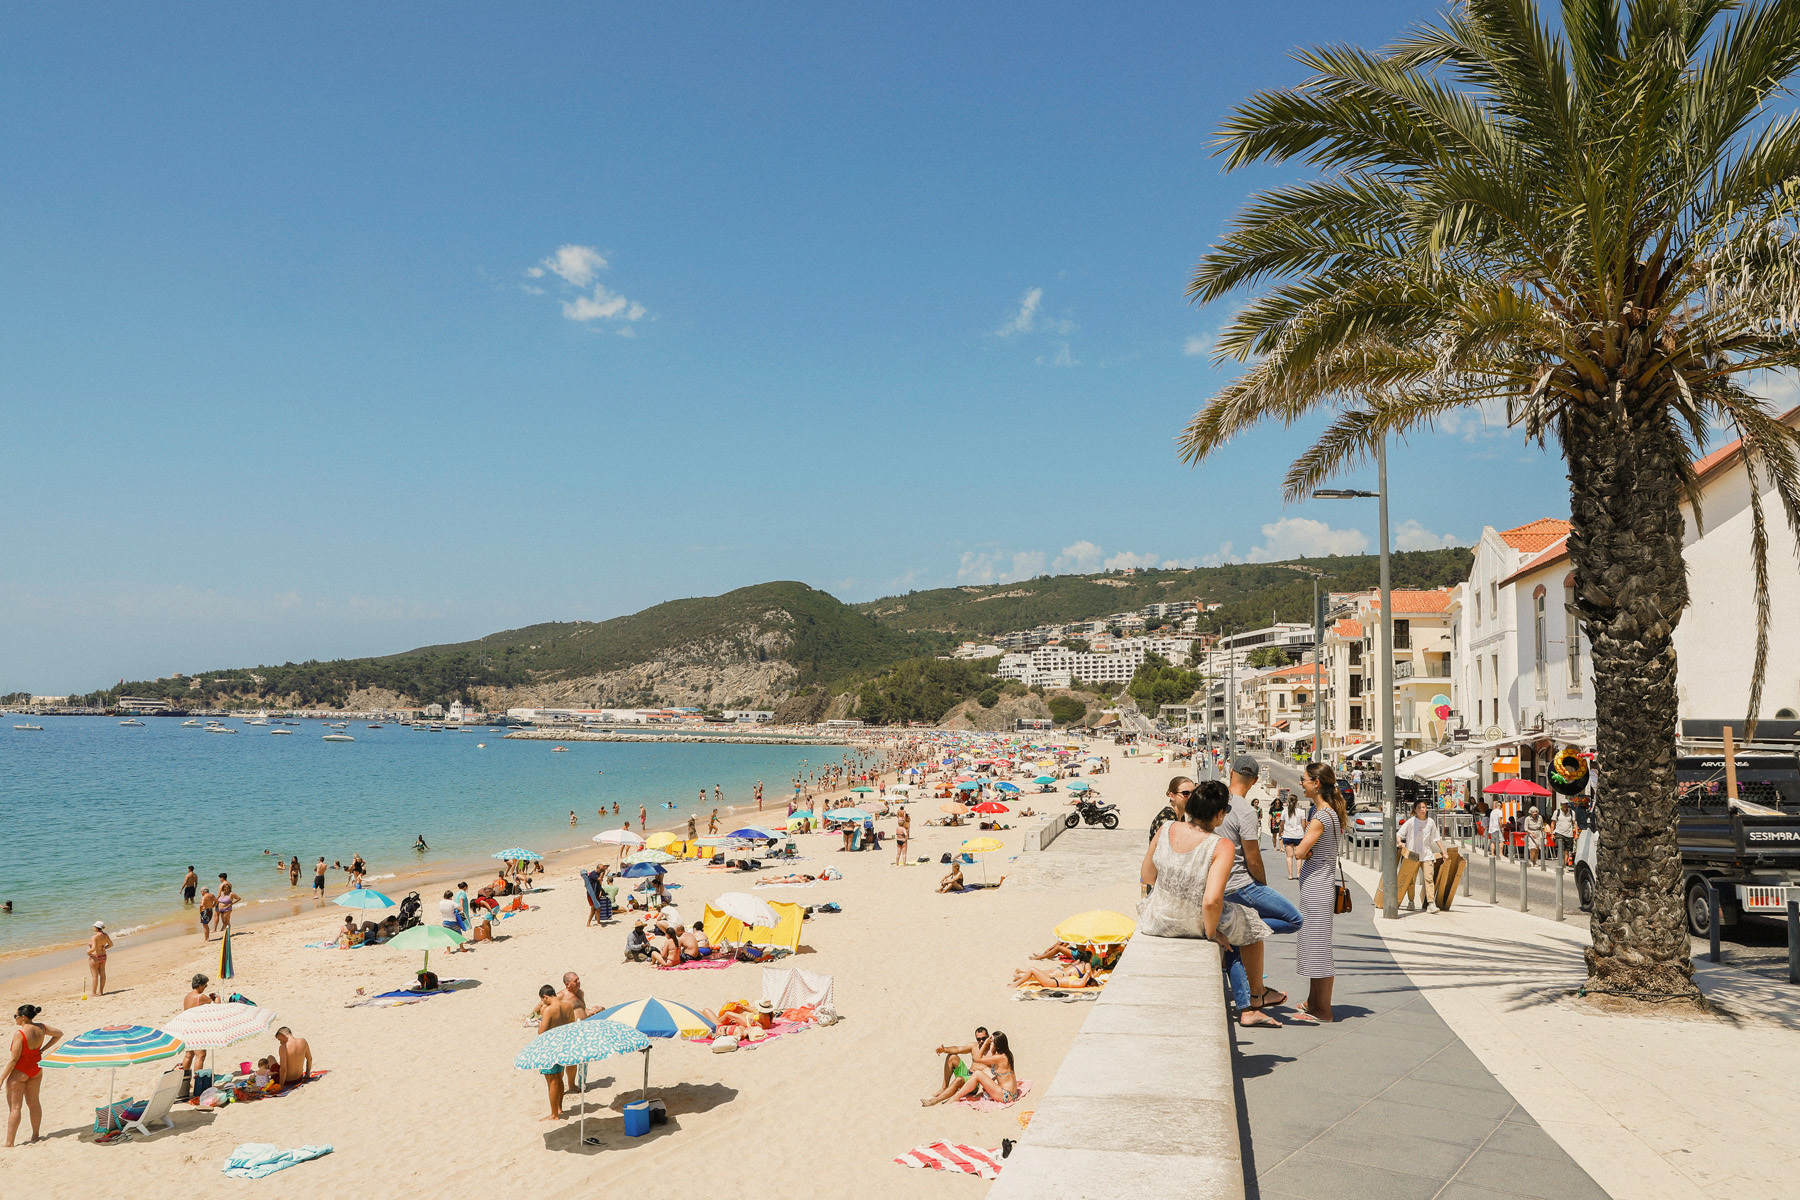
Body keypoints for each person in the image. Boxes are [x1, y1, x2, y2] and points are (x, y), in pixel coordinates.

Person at [1137, 780, 1277, 1027]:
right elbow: (1211, 902)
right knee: (1252, 923)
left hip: (1156, 919)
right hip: (1193, 923)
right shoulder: (1220, 845)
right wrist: (1213, 934)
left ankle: (1253, 997)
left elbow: (1147, 876)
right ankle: (1257, 996)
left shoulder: (1166, 827)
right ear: (1220, 813)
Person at [1220, 756, 1303, 1015]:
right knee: (1294, 920)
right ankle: (1243, 934)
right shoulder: (1245, 810)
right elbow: (1253, 858)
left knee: (1236, 939)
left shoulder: (1215, 803)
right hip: (1241, 885)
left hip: (1218, 885)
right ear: (1255, 781)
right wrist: (1262, 885)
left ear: (1230, 772)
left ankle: (1249, 1005)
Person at [1291, 761, 1346, 1023]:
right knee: (1315, 945)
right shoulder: (1328, 813)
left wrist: (1306, 849)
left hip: (1317, 887)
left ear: (1316, 783)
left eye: (1304, 779)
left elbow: (1299, 852)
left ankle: (1323, 1010)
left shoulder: (1322, 816)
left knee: (1319, 948)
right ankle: (1314, 1003)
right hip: (1319, 885)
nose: (1301, 783)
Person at [5, 1004, 63, 1147]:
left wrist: (1, 1078)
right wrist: (42, 1049)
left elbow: (14, 1059)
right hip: (36, 1069)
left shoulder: (20, 1033)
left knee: (15, 1107)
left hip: (20, 1072)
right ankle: (35, 1136)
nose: (15, 1019)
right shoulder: (41, 1028)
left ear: (23, 1017)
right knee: (34, 1103)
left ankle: (9, 1143)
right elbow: (59, 1034)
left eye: (16, 1016)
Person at [921, 1030, 1018, 1106]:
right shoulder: (1007, 1055)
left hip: (1005, 1095)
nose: (982, 1041)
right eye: (979, 1039)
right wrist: (944, 1049)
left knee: (976, 1074)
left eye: (986, 1039)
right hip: (1009, 1093)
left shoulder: (999, 1057)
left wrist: (986, 1044)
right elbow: (958, 1049)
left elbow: (978, 1058)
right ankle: (944, 1087)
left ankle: (944, 1099)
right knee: (953, 1057)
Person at [1397, 800, 1445, 911]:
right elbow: (1399, 834)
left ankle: (1431, 904)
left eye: (1424, 807)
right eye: (1419, 807)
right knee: (1411, 880)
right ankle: (1411, 901)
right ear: (1415, 810)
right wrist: (1399, 843)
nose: (1422, 809)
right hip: (1412, 855)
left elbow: (1436, 838)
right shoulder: (1411, 822)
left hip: (1427, 855)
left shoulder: (1431, 822)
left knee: (1429, 879)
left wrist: (1444, 852)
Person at [180, 974, 217, 1072]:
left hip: (187, 1027)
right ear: (200, 985)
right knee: (200, 1055)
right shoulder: (200, 997)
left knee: (189, 1055)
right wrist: (217, 997)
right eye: (205, 985)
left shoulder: (187, 996)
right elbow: (216, 1007)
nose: (205, 987)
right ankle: (197, 1080)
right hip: (196, 1029)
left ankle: (184, 1079)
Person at [1150, 776, 1191, 846]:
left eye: (1194, 793)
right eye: (1186, 793)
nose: (1191, 797)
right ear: (1172, 796)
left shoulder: (1180, 815)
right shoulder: (1167, 819)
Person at [1281, 798, 1306, 880]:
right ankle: (1298, 874)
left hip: (1288, 834)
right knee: (1298, 857)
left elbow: (1282, 824)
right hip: (1298, 835)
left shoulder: (1284, 811)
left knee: (1289, 856)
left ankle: (1290, 875)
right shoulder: (1301, 812)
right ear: (1296, 802)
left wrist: (1280, 832)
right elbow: (1303, 824)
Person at [86, 922, 112, 997]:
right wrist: (104, 947)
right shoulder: (105, 935)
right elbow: (111, 944)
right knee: (102, 974)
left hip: (95, 957)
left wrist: (88, 952)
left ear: (96, 927)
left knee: (95, 976)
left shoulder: (94, 937)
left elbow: (93, 948)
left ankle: (93, 993)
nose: (93, 927)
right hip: (103, 956)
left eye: (94, 926)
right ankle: (100, 991)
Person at [1553, 801, 1576, 866]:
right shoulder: (1557, 812)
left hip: (1569, 834)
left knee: (1567, 851)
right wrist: (1552, 833)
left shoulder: (1572, 812)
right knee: (1560, 849)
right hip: (1559, 832)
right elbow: (1553, 823)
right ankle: (1560, 864)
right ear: (1561, 805)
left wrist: (1576, 833)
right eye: (1564, 804)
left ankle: (1564, 866)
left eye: (1566, 804)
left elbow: (1574, 823)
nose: (1565, 806)